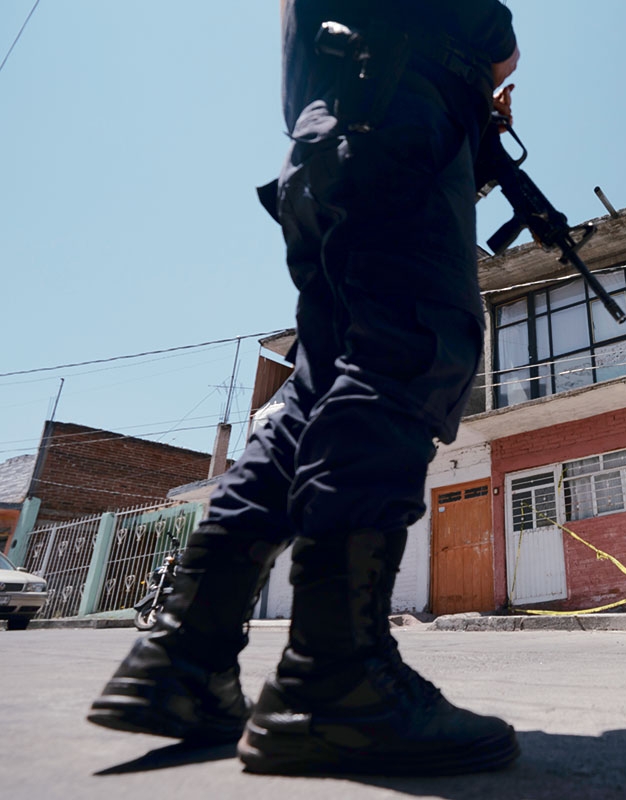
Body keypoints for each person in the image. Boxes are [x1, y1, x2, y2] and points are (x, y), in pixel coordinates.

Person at [88, 0, 521, 776]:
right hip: (397, 118)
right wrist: (485, 65)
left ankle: (183, 655)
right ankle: (337, 679)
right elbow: (492, 40)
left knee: (315, 398)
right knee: (406, 348)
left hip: (329, 137)